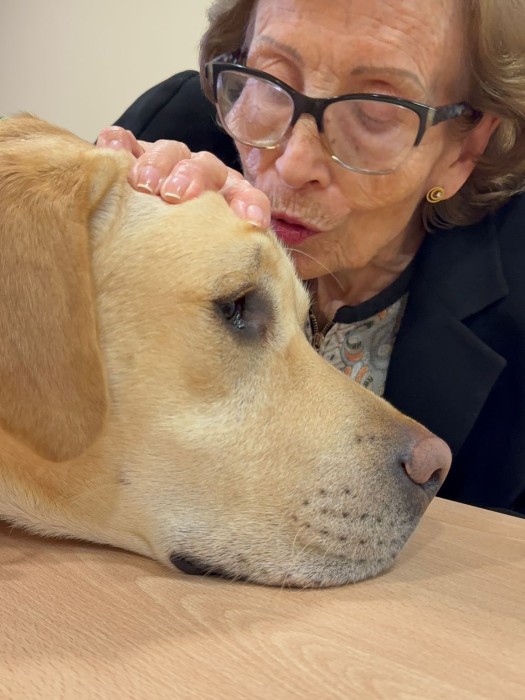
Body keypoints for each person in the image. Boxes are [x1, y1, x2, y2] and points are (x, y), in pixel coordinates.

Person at [97, 0, 525, 517]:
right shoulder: (175, 138)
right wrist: (126, 239)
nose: (294, 164)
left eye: (375, 112)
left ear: (463, 150)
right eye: (271, 81)